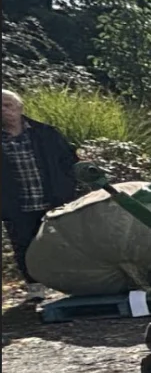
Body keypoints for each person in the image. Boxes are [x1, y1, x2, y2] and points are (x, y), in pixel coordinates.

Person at [2, 88, 80, 296]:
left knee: (63, 242)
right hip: (17, 205)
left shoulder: (45, 133)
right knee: (24, 246)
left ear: (19, 108)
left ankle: (72, 283)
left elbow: (69, 162)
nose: (3, 110)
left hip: (53, 200)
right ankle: (35, 288)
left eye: (7, 105)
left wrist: (67, 189)